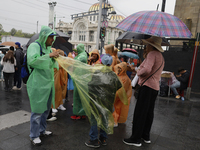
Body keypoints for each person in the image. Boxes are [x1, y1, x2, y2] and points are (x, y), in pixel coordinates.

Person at [123, 36, 164, 147]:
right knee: (148, 113)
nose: (146, 46)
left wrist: (138, 71)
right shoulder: (160, 56)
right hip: (154, 88)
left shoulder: (151, 54)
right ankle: (146, 136)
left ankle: (135, 138)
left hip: (146, 87)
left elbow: (146, 70)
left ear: (151, 45)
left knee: (140, 112)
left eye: (147, 44)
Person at [27, 25, 59, 145]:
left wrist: (56, 57)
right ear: (44, 36)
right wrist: (49, 56)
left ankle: (42, 130)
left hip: (48, 83)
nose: (52, 40)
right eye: (51, 37)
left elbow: (51, 65)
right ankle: (34, 135)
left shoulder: (48, 49)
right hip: (38, 83)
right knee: (37, 111)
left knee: (45, 110)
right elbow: (32, 61)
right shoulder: (35, 46)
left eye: (53, 38)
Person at [85, 54, 122, 148]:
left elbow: (90, 85)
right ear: (110, 64)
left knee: (94, 118)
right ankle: (103, 138)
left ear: (101, 62)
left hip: (96, 101)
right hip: (108, 101)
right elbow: (118, 86)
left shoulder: (97, 73)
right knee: (105, 119)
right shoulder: (113, 75)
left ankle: (93, 140)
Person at [70, 43, 88, 120]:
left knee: (77, 97)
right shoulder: (82, 54)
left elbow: (78, 61)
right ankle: (82, 113)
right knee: (81, 97)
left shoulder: (82, 55)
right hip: (80, 78)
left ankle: (77, 114)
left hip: (79, 79)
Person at [113, 62, 132, 127]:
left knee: (118, 108)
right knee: (116, 108)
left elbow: (123, 90)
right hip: (116, 95)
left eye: (120, 68)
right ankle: (114, 120)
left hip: (120, 97)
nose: (119, 69)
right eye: (118, 67)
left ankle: (115, 122)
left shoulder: (125, 78)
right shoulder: (118, 75)